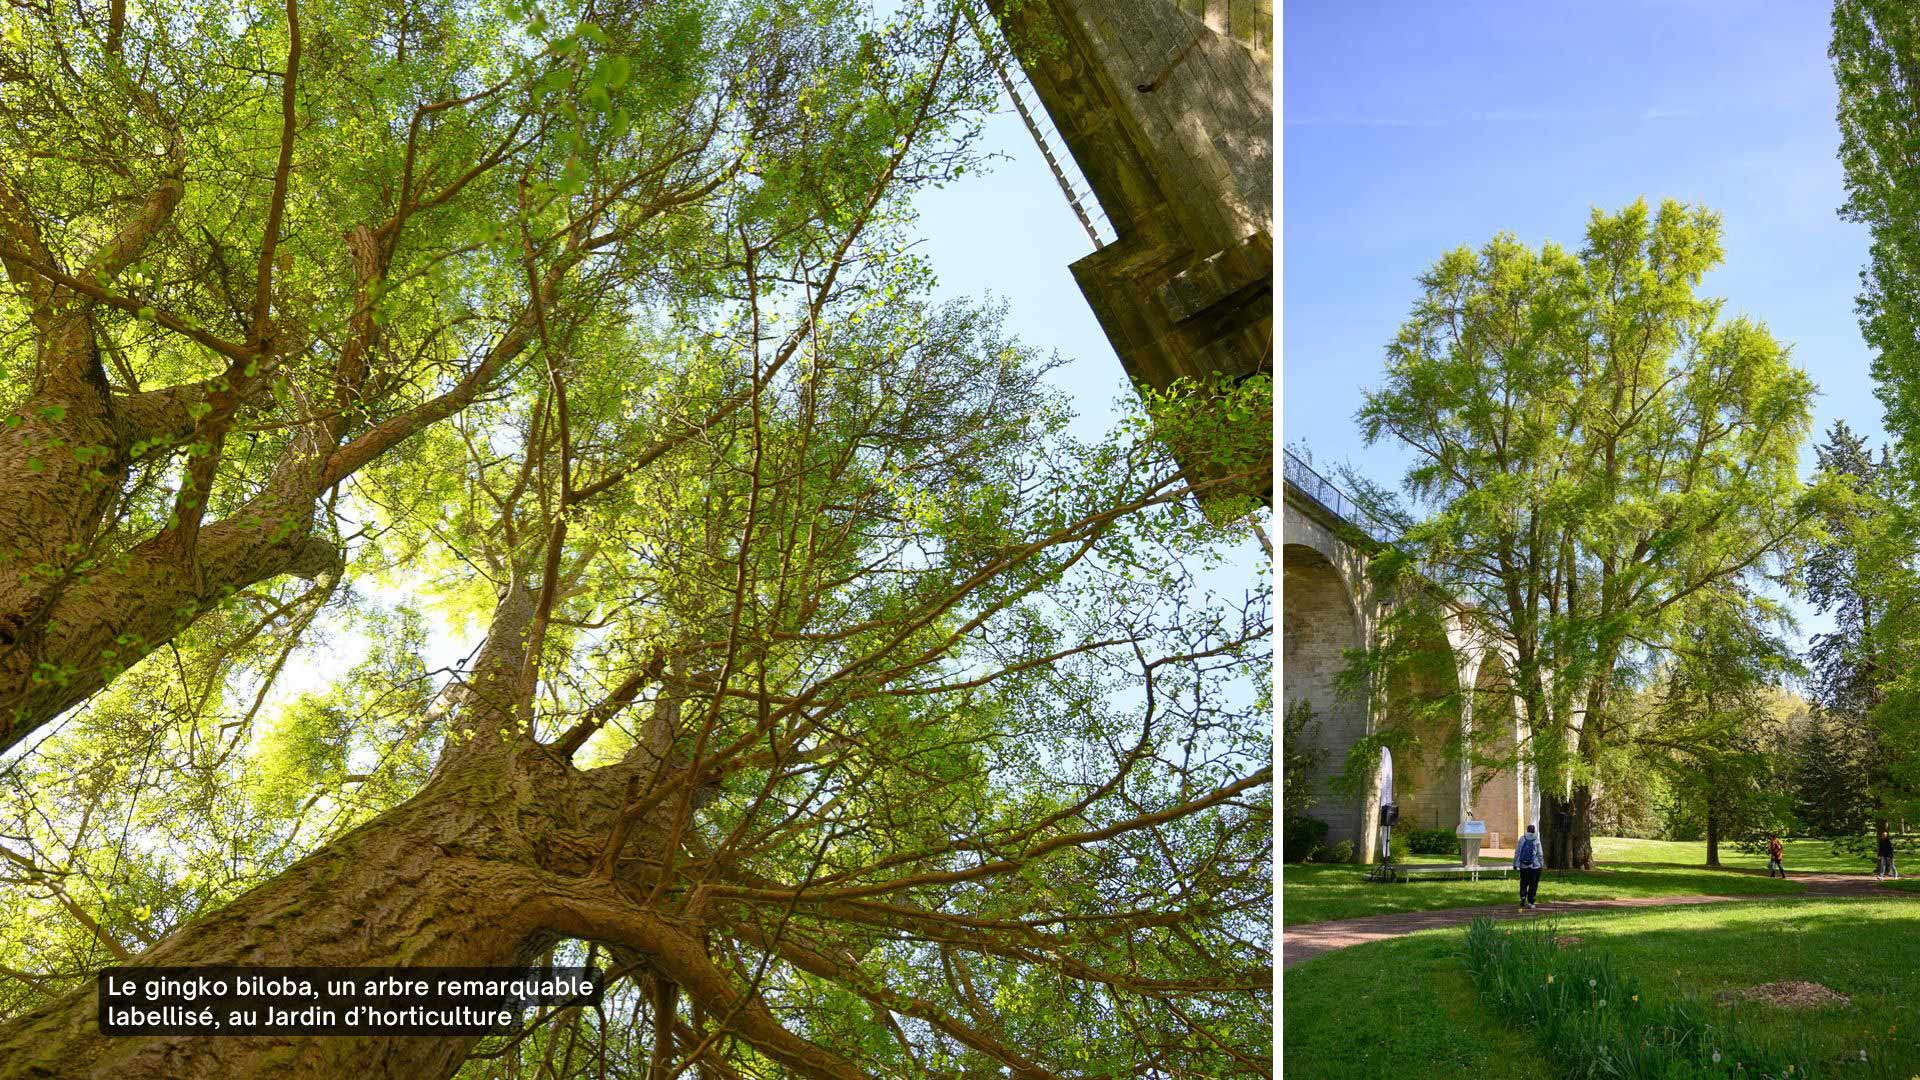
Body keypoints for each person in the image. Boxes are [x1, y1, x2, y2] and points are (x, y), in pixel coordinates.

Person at [1514, 823, 1544, 910]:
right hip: (1535, 866)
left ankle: (1523, 896)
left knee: (1523, 882)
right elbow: (1540, 854)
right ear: (1534, 831)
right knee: (1533, 884)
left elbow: (1517, 852)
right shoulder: (1536, 840)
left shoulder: (1522, 839)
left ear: (1527, 830)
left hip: (1523, 865)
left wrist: (1515, 864)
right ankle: (1531, 902)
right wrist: (1541, 864)